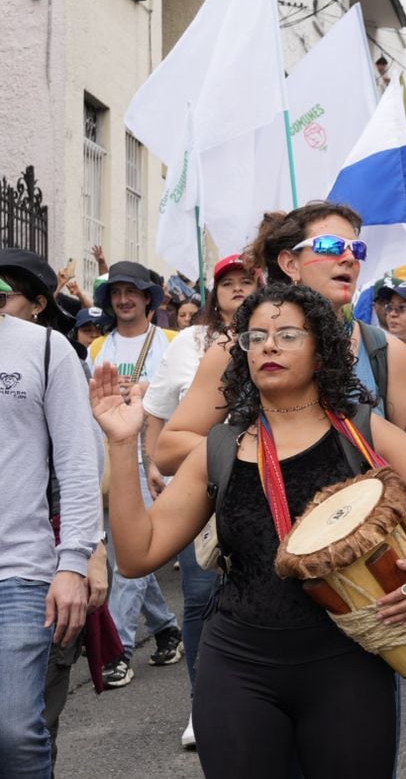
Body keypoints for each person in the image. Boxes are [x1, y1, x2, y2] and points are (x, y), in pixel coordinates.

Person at [90, 282, 406, 779]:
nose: (269, 346)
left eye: (288, 335)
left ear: (320, 348)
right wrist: (124, 446)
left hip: (348, 666)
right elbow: (136, 555)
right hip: (238, 665)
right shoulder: (219, 448)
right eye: (255, 338)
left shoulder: (364, 432)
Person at [155, 201, 406, 475]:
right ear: (290, 264)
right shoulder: (238, 347)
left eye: (357, 249)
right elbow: (169, 451)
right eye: (330, 246)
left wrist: (351, 452)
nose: (349, 258)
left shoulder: (385, 351)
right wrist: (265, 454)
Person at [141, 253, 259, 748]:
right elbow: (158, 411)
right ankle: (201, 702)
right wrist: (151, 459)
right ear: (214, 292)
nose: (236, 289)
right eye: (227, 282)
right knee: (198, 598)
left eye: (247, 281)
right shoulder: (190, 343)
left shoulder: (283, 336)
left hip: (266, 492)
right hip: (205, 489)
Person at [0, 251, 103, 778]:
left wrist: (75, 561)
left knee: (14, 733)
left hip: (19, 571)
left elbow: (78, 462)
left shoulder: (45, 349)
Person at [86, 260, 181, 688]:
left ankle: (119, 650)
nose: (124, 299)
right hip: (112, 461)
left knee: (129, 562)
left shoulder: (174, 343)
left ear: (148, 299)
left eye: (132, 292)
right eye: (116, 293)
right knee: (126, 553)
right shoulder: (96, 350)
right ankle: (166, 628)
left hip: (157, 464)